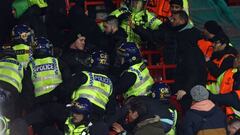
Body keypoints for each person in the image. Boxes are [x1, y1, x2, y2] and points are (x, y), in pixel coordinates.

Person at [24, 37, 71, 133]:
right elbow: (68, 83)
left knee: (42, 131)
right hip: (59, 103)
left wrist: (31, 109)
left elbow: (27, 91)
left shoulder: (30, 66)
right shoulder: (58, 62)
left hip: (40, 107)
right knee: (67, 130)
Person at [171, 11, 207, 112]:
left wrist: (185, 90)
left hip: (191, 91)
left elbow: (194, 71)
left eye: (174, 19)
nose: (171, 21)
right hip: (188, 87)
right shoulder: (186, 37)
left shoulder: (188, 48)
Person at [71, 50, 113, 121]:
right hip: (97, 116)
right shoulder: (110, 82)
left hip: (79, 110)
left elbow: (65, 89)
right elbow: (111, 105)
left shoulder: (85, 75)